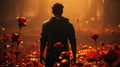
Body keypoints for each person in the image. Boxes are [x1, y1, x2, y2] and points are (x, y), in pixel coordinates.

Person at [40, 2, 76, 67]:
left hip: (51, 55)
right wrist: (74, 57)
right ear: (62, 11)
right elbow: (73, 42)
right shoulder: (68, 25)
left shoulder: (46, 25)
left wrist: (41, 55)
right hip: (64, 54)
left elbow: (43, 41)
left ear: (52, 11)